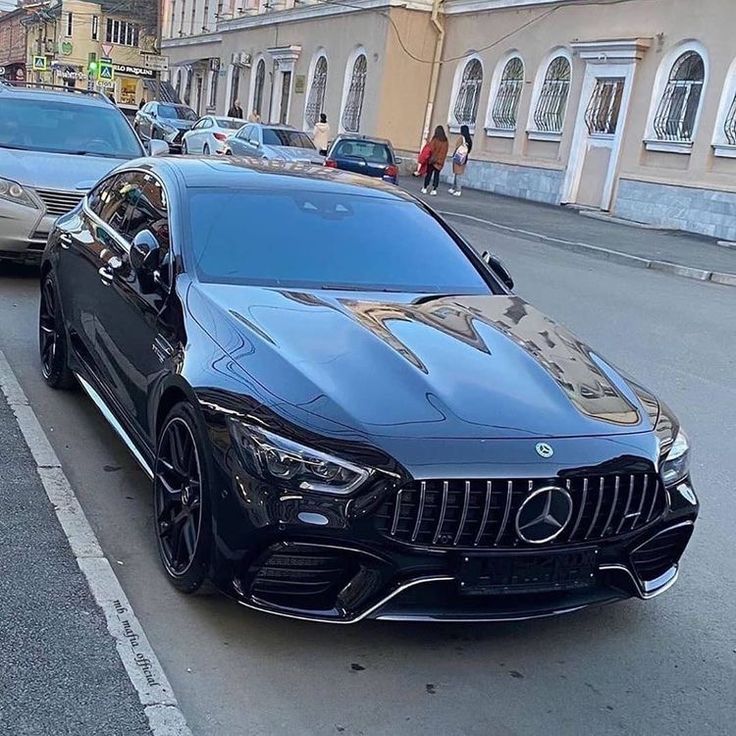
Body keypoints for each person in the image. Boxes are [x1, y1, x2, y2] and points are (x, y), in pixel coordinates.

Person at [421, 125, 448, 196]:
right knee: (436, 175)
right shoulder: (445, 141)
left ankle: (425, 187)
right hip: (440, 161)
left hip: (432, 160)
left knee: (429, 174)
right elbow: (445, 151)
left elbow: (431, 149)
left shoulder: (435, 139)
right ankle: (434, 189)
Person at [449, 124, 473, 197]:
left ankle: (458, 190)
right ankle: (454, 188)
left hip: (458, 157)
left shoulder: (461, 138)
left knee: (458, 174)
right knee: (458, 173)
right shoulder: (469, 139)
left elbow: (457, 147)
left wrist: (454, 155)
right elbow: (469, 149)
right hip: (464, 157)